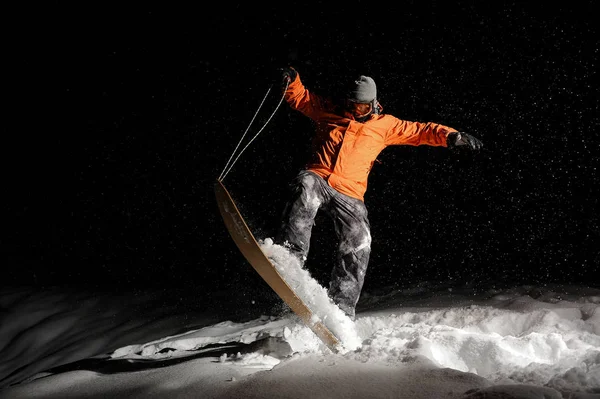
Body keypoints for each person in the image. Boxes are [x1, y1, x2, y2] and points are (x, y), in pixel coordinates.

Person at [274, 66, 482, 320]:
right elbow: (302, 98)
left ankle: (341, 309)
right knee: (304, 187)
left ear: (372, 104)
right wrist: (292, 80)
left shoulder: (385, 125)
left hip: (350, 193)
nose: (355, 111)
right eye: (352, 105)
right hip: (319, 177)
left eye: (361, 107)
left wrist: (451, 136)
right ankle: (290, 259)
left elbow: (420, 130)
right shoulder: (329, 109)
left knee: (360, 241)